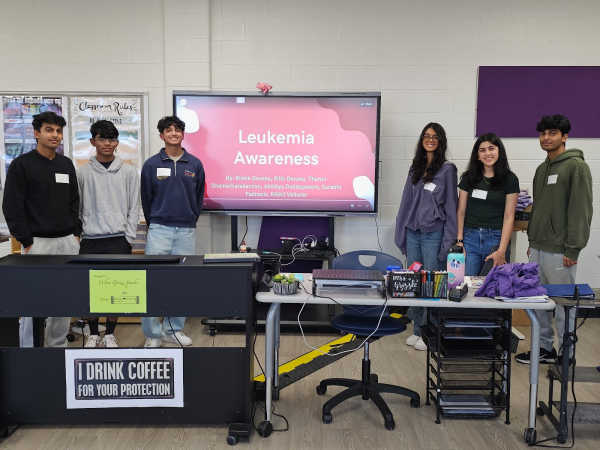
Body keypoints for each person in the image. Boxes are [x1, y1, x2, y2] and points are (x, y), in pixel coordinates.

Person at [516, 115, 592, 365]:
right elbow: (538, 209)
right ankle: (544, 349)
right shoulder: (541, 169)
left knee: (563, 304)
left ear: (564, 136)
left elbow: (581, 209)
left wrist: (573, 248)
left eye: (552, 133)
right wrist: (531, 240)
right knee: (537, 301)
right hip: (538, 247)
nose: (546, 138)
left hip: (561, 251)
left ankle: (566, 353)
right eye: (542, 134)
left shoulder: (576, 166)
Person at [2, 111, 82, 347]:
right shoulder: (22, 165)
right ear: (36, 133)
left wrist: (75, 233)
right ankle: (29, 348)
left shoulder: (65, 164)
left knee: (63, 300)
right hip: (37, 243)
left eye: (58, 131)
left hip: (67, 241)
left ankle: (58, 346)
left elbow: (73, 201)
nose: (55, 135)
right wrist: (26, 240)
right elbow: (12, 206)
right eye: (49, 130)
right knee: (32, 299)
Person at [140, 115, 205, 348]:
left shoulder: (195, 164)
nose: (174, 133)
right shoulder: (151, 164)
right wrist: (156, 222)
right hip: (159, 230)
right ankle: (152, 333)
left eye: (178, 129)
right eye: (169, 130)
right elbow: (147, 200)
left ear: (183, 134)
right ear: (161, 135)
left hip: (186, 231)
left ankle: (173, 331)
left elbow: (198, 200)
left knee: (181, 282)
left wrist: (188, 220)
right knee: (152, 282)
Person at [395, 123, 458, 351]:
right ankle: (418, 329)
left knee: (432, 285)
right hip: (413, 233)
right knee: (415, 281)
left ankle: (431, 333)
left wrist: (448, 243)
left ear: (441, 141)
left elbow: (451, 206)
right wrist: (400, 233)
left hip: (434, 234)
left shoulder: (447, 169)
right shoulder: (416, 167)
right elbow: (406, 202)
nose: (430, 140)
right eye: (426, 136)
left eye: (435, 137)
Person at [77, 120, 140, 348]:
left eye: (111, 139)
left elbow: (134, 206)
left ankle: (110, 334)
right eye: (102, 138)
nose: (107, 143)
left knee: (117, 290)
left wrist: (129, 237)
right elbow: (77, 207)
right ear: (92, 141)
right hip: (90, 240)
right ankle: (93, 334)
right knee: (90, 291)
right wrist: (80, 235)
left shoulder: (129, 172)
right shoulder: (81, 173)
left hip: (118, 240)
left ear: (117, 142)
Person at [456, 133, 519, 276]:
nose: (487, 153)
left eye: (491, 148)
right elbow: (460, 211)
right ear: (477, 155)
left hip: (496, 239)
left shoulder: (510, 179)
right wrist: (459, 241)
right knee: (466, 286)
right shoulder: (468, 178)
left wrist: (502, 251)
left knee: (491, 289)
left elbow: (509, 217)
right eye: (482, 150)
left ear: (499, 151)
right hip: (469, 238)